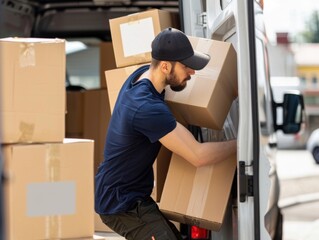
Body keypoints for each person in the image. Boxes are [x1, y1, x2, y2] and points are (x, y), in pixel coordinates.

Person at [95, 27, 237, 240]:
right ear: (164, 66)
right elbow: (198, 156)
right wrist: (242, 142)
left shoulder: (141, 76)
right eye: (186, 66)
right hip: (121, 204)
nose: (192, 72)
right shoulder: (146, 108)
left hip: (130, 195)